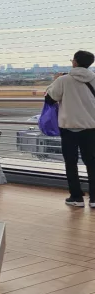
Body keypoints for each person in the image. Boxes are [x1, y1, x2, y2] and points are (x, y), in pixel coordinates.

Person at [45, 50, 95, 207]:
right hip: (91, 127)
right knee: (92, 163)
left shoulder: (64, 80)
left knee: (71, 163)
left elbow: (49, 98)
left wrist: (55, 81)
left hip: (69, 128)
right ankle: (94, 199)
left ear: (75, 62)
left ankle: (76, 197)